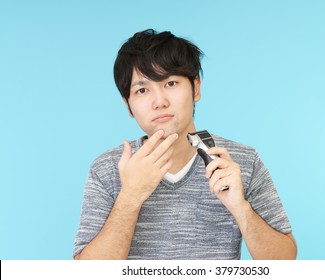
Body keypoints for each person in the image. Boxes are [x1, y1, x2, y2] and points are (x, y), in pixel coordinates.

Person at [73, 29, 297, 260]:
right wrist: (130, 196)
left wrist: (240, 207)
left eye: (170, 83)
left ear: (196, 88)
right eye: (142, 90)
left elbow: (285, 261)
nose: (159, 101)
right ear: (128, 105)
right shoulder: (107, 169)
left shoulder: (242, 161)